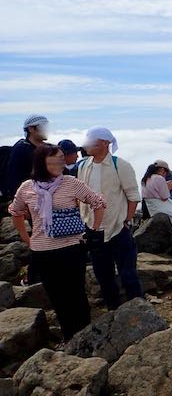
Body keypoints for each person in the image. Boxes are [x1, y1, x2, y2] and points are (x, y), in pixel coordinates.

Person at [8, 144, 106, 340]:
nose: (59, 163)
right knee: (57, 297)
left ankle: (84, 338)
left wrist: (93, 230)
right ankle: (70, 337)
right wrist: (26, 238)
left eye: (61, 158)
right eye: (53, 159)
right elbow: (15, 211)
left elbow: (98, 203)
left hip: (71, 249)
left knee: (76, 294)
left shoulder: (70, 182)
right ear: (41, 162)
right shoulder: (27, 187)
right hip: (43, 252)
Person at [77, 126, 143, 309]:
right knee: (103, 275)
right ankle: (114, 310)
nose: (87, 146)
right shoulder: (83, 166)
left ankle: (138, 310)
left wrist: (127, 221)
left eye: (91, 142)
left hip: (118, 227)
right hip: (93, 228)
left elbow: (132, 196)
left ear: (105, 143)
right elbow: (80, 195)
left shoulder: (120, 165)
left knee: (128, 273)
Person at [3, 114, 49, 199]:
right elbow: (14, 177)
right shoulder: (21, 149)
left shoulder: (48, 148)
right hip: (30, 199)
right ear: (31, 129)